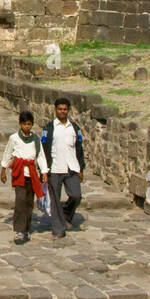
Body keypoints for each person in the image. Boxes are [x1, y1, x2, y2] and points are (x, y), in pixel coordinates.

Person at [0, 109, 48, 245]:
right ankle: (19, 230)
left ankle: (26, 228)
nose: (27, 127)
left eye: (29, 124)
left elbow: (40, 155)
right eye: (24, 124)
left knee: (28, 202)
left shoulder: (35, 139)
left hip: (32, 174)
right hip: (19, 173)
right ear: (20, 124)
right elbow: (8, 153)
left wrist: (44, 171)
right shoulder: (14, 138)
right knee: (20, 201)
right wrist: (3, 169)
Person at [41, 97, 85, 240]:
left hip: (71, 167)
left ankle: (65, 215)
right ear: (55, 110)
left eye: (65, 109)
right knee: (55, 199)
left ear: (68, 110)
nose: (62, 111)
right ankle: (58, 228)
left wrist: (81, 168)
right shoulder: (48, 128)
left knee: (76, 195)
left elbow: (79, 148)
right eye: (60, 109)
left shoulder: (74, 128)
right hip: (55, 167)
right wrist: (43, 170)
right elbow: (43, 149)